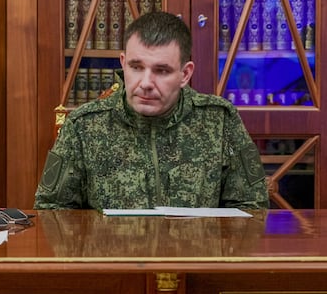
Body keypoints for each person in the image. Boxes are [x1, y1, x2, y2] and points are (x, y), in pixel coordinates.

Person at [34, 11, 269, 211]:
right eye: (136, 67)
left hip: (196, 251)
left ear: (185, 74)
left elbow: (253, 207)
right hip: (111, 252)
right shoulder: (84, 126)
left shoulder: (220, 120)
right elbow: (51, 210)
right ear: (123, 63)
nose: (146, 82)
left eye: (161, 71)